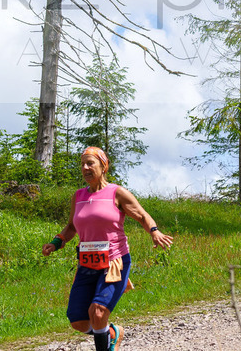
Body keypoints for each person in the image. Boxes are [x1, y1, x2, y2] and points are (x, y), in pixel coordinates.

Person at [42, 147, 174, 351]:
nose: (85, 168)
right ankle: (112, 332)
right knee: (78, 320)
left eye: (90, 163)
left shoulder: (116, 193)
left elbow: (141, 215)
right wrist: (57, 242)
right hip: (87, 263)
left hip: (114, 261)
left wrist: (154, 231)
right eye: (82, 164)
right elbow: (71, 227)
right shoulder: (78, 196)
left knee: (98, 312)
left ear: (103, 166)